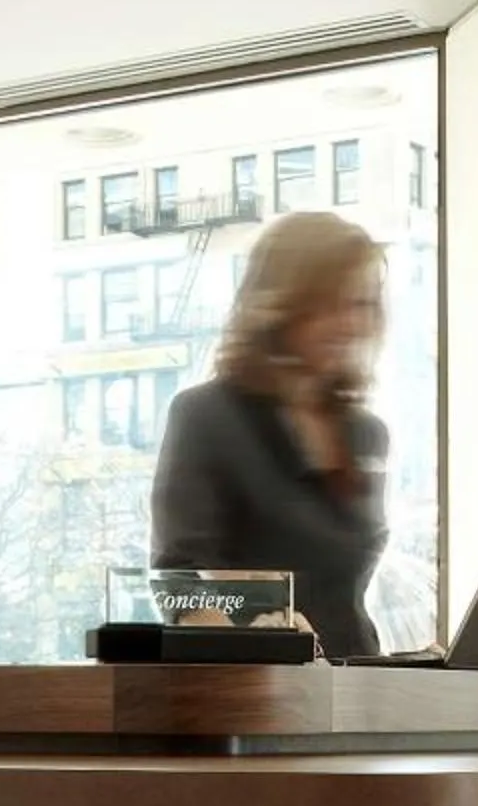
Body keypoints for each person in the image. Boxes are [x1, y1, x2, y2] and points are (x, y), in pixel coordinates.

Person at [146, 210, 392, 659]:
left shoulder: (365, 434)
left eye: (362, 304)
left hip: (356, 691)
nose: (350, 324)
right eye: (331, 304)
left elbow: (344, 596)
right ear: (281, 306)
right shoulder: (208, 416)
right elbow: (179, 584)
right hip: (257, 692)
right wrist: (265, 626)